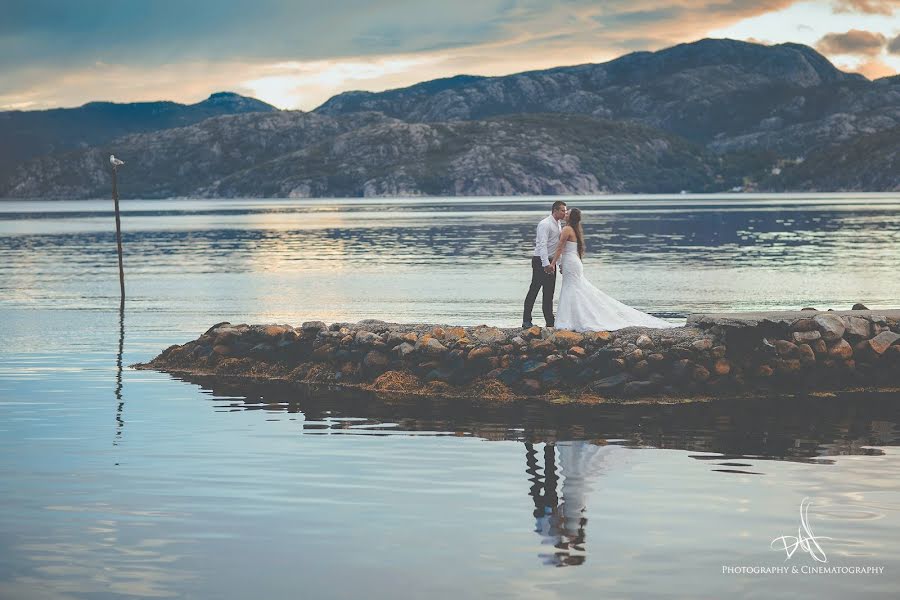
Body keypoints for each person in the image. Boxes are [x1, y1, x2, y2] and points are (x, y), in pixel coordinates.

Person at [550, 208, 678, 331]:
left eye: (568, 213)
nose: (565, 213)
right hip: (573, 262)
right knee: (574, 288)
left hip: (571, 262)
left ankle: (571, 320)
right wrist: (561, 263)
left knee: (573, 289)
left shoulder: (567, 229)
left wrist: (553, 264)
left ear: (571, 218)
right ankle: (573, 319)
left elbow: (560, 247)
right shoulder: (575, 230)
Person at [523, 200, 567, 328]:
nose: (565, 213)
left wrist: (558, 264)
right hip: (540, 261)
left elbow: (556, 247)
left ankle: (550, 322)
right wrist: (545, 264)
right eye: (563, 210)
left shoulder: (558, 224)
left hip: (551, 262)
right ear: (555, 211)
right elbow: (542, 245)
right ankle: (526, 321)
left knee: (549, 293)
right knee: (534, 291)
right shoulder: (545, 224)